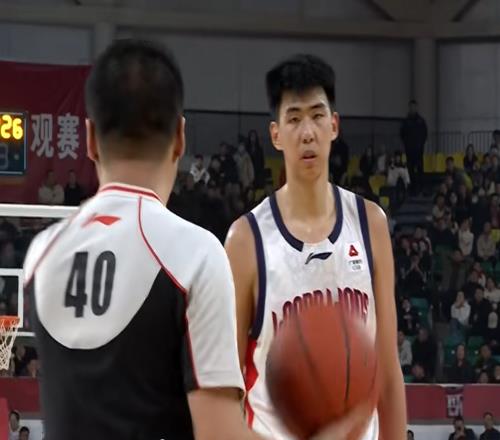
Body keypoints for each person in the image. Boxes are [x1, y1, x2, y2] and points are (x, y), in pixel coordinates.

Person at [22, 40, 358, 440]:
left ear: (90, 139)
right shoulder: (193, 254)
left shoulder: (40, 255)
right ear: (181, 137)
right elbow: (218, 434)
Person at [225, 54, 406, 440]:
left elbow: (389, 371)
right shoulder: (245, 240)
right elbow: (227, 388)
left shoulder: (370, 224)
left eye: (317, 115)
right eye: (294, 119)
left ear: (334, 125)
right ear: (276, 134)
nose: (307, 132)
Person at [400, 99, 427, 195]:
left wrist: (420, 144)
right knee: (410, 170)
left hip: (419, 150)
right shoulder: (406, 121)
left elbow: (424, 134)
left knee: (420, 169)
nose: (413, 108)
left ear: (416, 107)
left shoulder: (421, 121)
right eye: (411, 107)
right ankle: (412, 189)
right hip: (409, 150)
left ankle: (421, 188)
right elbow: (402, 134)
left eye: (414, 107)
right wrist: (407, 144)